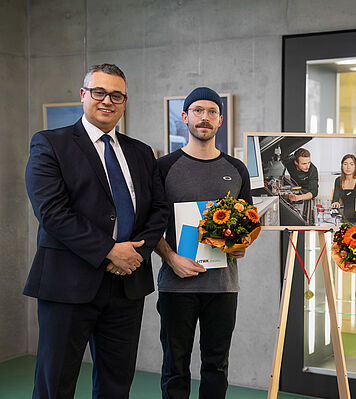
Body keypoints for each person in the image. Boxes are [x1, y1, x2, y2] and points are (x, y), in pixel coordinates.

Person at [24, 63, 169, 398]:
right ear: (83, 95)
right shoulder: (50, 144)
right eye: (99, 92)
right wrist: (109, 250)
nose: (107, 101)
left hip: (126, 286)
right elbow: (52, 212)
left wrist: (134, 254)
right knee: (54, 384)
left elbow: (158, 211)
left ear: (124, 101)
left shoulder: (141, 153)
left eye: (116, 95)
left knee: (116, 384)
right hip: (67, 283)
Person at [154, 87, 252, 399]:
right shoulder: (163, 168)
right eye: (197, 110)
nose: (204, 117)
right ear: (185, 117)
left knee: (216, 366)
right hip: (176, 285)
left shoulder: (236, 169)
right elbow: (150, 225)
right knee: (175, 366)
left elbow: (246, 224)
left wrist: (241, 246)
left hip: (222, 287)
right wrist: (171, 258)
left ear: (220, 120)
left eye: (211, 112)